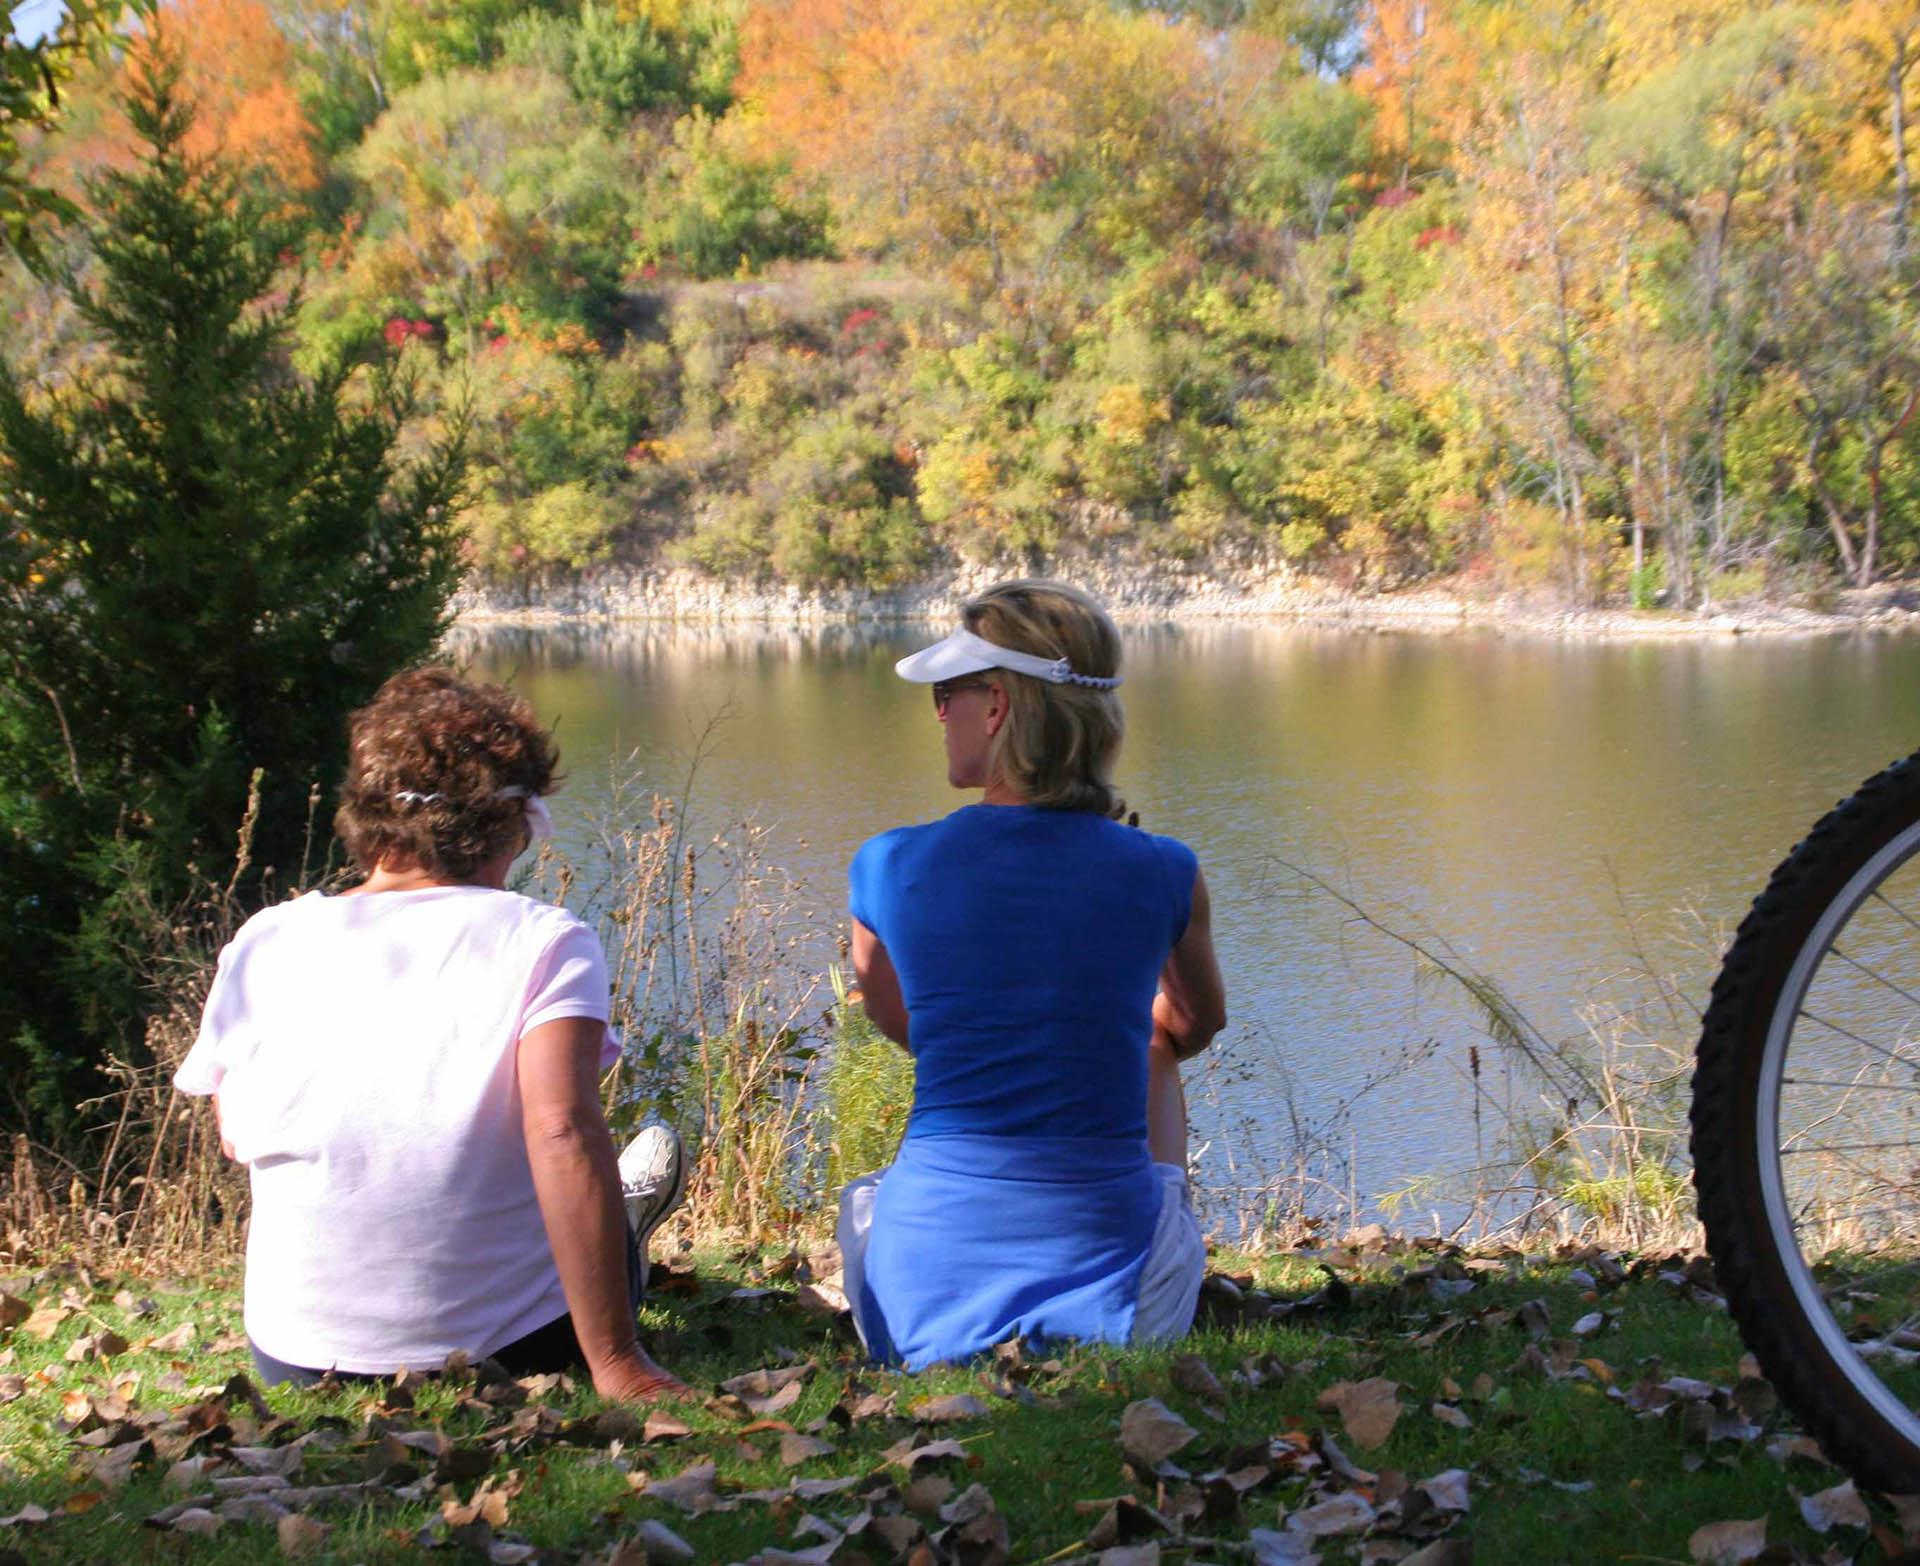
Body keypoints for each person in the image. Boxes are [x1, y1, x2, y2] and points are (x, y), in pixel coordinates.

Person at [174, 667, 687, 1400]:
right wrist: (617, 1361)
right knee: (598, 1212)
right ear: (510, 825)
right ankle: (627, 1225)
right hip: (509, 1348)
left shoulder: (265, 938)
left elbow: (238, 1132)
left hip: (293, 1356)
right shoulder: (543, 939)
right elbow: (563, 1133)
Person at [839, 580, 1227, 1369]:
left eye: (949, 693)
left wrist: (988, 1036)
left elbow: (891, 1016)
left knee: (871, 1202)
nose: (939, 713)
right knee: (1149, 1038)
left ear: (1000, 706)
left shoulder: (888, 865)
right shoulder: (1163, 870)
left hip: (915, 1310)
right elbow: (1194, 1027)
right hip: (1123, 1311)